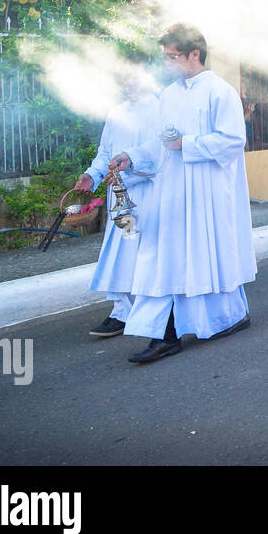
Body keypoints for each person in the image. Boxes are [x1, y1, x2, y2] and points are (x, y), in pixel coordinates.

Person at [115, 23, 257, 364]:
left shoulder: (219, 92)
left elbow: (233, 140)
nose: (167, 63)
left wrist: (187, 145)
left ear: (195, 54)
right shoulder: (169, 95)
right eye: (164, 57)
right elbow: (159, 141)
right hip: (172, 191)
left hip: (206, 194)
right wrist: (131, 156)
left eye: (173, 56)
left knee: (204, 259)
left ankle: (220, 320)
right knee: (169, 260)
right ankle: (166, 333)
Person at [79, 66, 160, 338]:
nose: (127, 85)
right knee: (121, 252)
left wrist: (131, 163)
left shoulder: (158, 109)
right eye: (123, 80)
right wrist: (92, 174)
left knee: (145, 252)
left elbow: (159, 152)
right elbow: (105, 152)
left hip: (147, 195)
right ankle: (121, 312)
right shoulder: (117, 112)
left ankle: (148, 310)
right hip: (120, 198)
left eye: (132, 79)